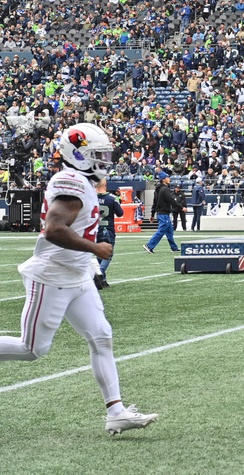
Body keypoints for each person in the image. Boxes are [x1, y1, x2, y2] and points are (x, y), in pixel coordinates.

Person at [0, 123, 159, 434]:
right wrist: (96, 248)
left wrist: (89, 258)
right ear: (78, 155)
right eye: (97, 154)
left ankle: (116, 411)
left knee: (101, 336)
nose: (104, 160)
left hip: (78, 274)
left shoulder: (84, 182)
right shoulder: (71, 181)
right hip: (53, 275)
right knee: (32, 349)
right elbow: (54, 229)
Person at [143, 172, 182, 254]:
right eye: (167, 177)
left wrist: (152, 214)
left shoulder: (157, 190)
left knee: (169, 231)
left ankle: (174, 247)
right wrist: (181, 207)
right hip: (164, 213)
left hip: (161, 213)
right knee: (161, 231)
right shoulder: (165, 189)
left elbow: (154, 203)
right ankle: (149, 245)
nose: (169, 179)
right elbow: (171, 200)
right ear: (163, 180)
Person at [95, 177, 123, 287]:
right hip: (108, 229)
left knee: (99, 254)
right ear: (105, 184)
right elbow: (120, 213)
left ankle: (103, 280)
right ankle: (99, 274)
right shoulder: (112, 198)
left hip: (96, 229)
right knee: (108, 254)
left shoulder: (91, 198)